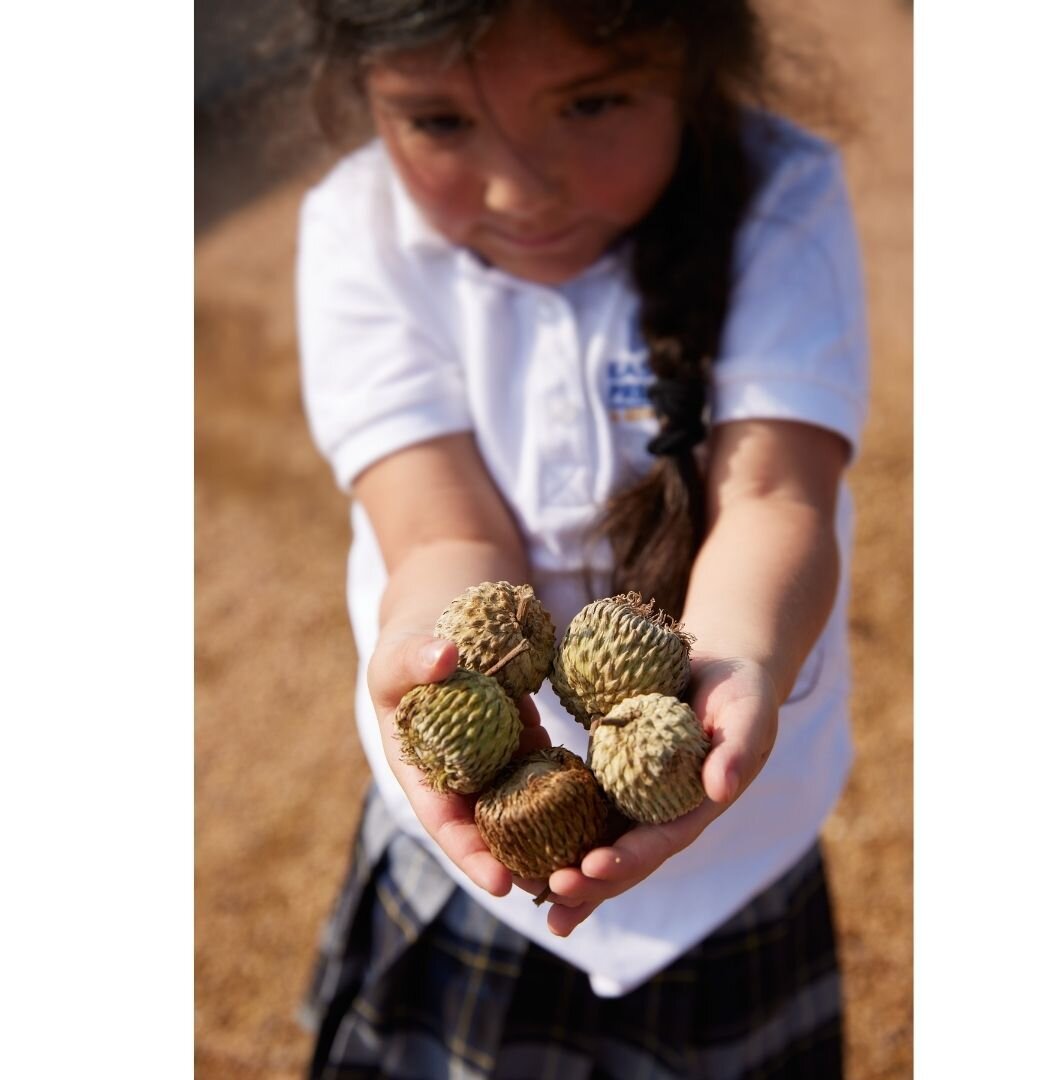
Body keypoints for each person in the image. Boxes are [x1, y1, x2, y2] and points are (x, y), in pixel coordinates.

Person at [295, 1, 869, 1076]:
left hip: (737, 868)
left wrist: (733, 661)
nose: (519, 188)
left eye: (592, 102)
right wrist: (436, 654)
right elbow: (438, 527)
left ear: (694, 64)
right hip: (473, 883)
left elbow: (777, 497)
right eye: (439, 122)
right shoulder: (358, 229)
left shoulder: (782, 201)